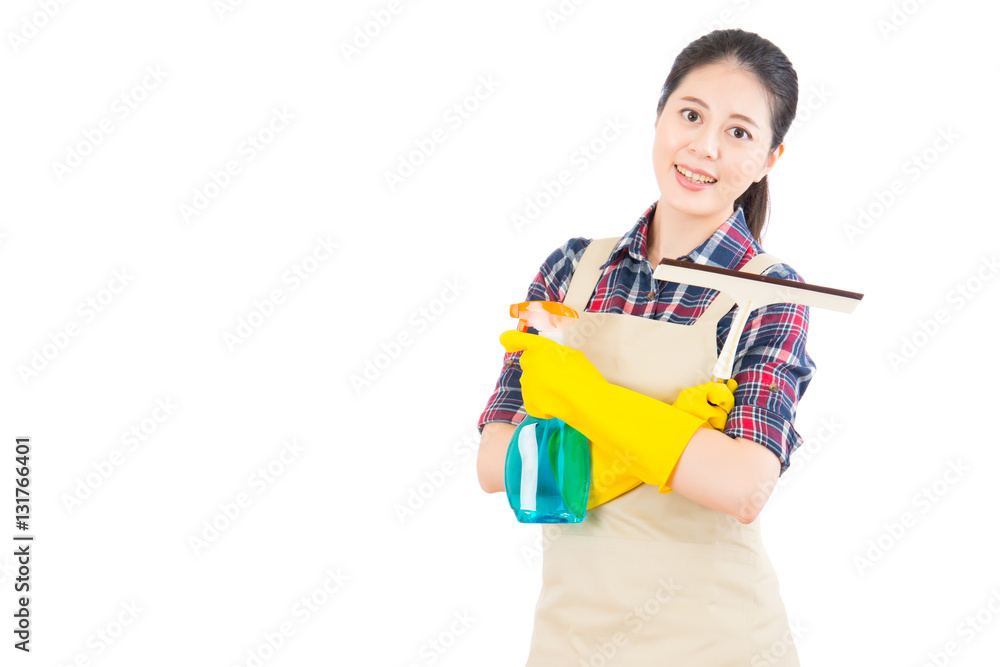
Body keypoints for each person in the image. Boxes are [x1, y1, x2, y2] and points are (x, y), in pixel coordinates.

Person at [477, 29, 815, 665]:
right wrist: (682, 436)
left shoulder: (768, 294)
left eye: (740, 132)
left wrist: (575, 397)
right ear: (660, 116)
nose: (705, 146)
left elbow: (743, 486)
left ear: (770, 158)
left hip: (717, 641)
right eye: (690, 114)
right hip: (571, 641)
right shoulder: (572, 272)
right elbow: (496, 466)